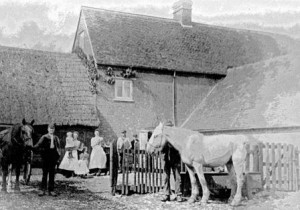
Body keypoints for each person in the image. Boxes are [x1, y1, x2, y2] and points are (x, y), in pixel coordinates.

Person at [30, 123, 61, 196]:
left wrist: (58, 157)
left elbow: (58, 148)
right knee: (44, 174)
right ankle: (42, 190)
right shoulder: (44, 137)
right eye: (50, 129)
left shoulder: (56, 138)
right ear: (48, 129)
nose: (51, 130)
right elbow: (38, 145)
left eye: (53, 129)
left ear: (54, 130)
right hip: (46, 157)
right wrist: (31, 148)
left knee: (52, 174)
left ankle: (51, 190)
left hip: (53, 158)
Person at [161, 121, 183, 202]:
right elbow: (160, 148)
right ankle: (166, 195)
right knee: (166, 177)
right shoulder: (163, 137)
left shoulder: (176, 136)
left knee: (177, 177)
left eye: (169, 127)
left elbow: (179, 146)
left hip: (175, 159)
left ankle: (178, 195)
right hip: (166, 159)